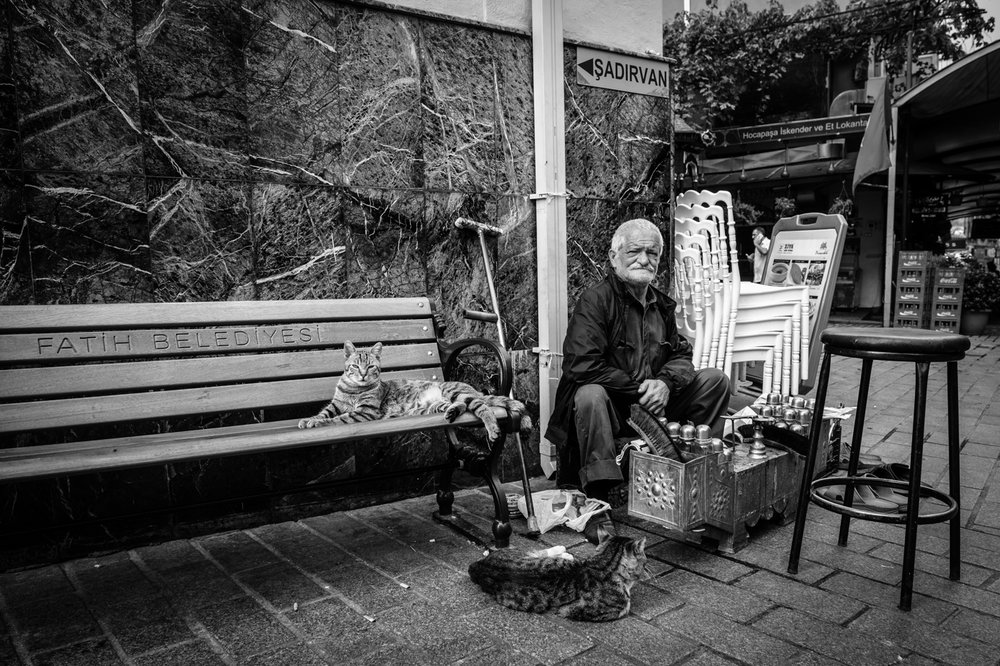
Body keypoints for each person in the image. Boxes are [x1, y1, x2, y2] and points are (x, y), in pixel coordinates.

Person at [544, 218, 731, 541]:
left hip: (652, 408)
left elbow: (682, 357)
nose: (644, 260)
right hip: (614, 410)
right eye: (635, 251)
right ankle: (598, 502)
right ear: (614, 256)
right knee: (589, 394)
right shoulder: (596, 301)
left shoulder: (661, 304)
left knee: (715, 380)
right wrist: (642, 387)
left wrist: (665, 384)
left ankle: (691, 476)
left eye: (652, 253)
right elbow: (580, 363)